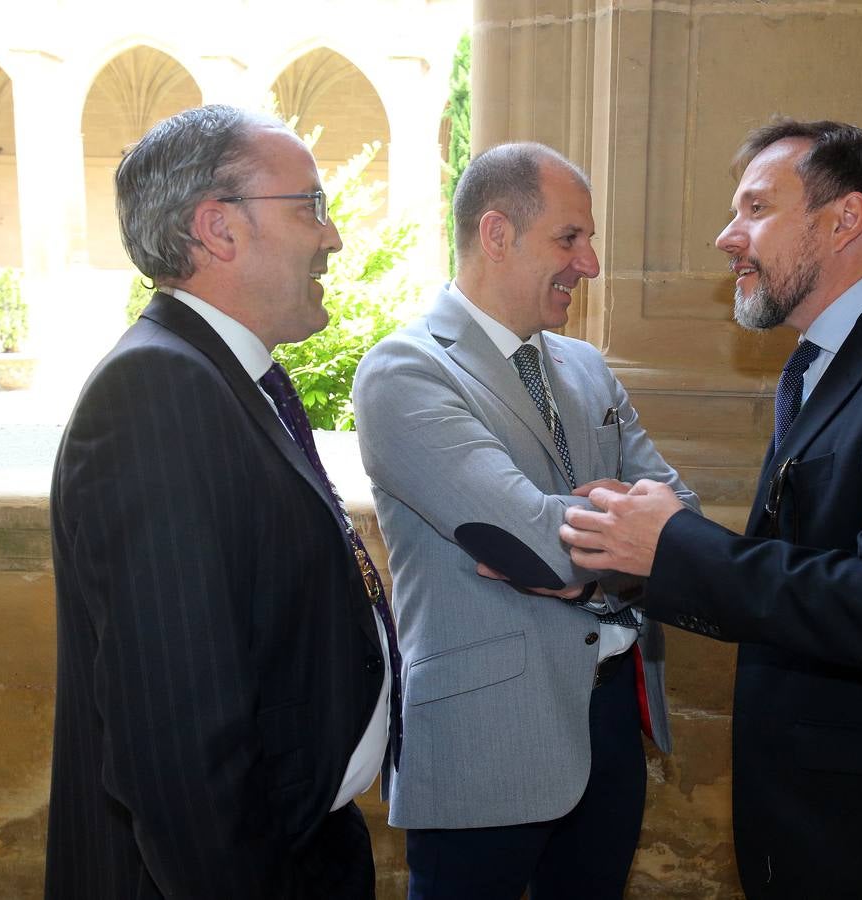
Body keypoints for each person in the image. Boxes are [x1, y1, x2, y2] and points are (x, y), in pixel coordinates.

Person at [560, 120, 862, 898]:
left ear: (844, 220)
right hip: (827, 823)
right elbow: (820, 564)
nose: (727, 238)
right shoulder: (827, 360)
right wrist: (647, 552)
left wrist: (678, 548)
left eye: (755, 209)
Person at [45, 104, 396, 899]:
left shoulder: (218, 377)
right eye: (310, 204)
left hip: (303, 844)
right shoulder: (155, 394)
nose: (332, 235)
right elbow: (175, 742)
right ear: (217, 229)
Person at [352, 142, 697, 899]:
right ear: (498, 234)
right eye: (570, 239)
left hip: (609, 716)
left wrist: (585, 559)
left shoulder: (587, 367)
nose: (592, 264)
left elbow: (683, 523)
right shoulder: (404, 372)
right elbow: (540, 549)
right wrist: (617, 533)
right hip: (487, 738)